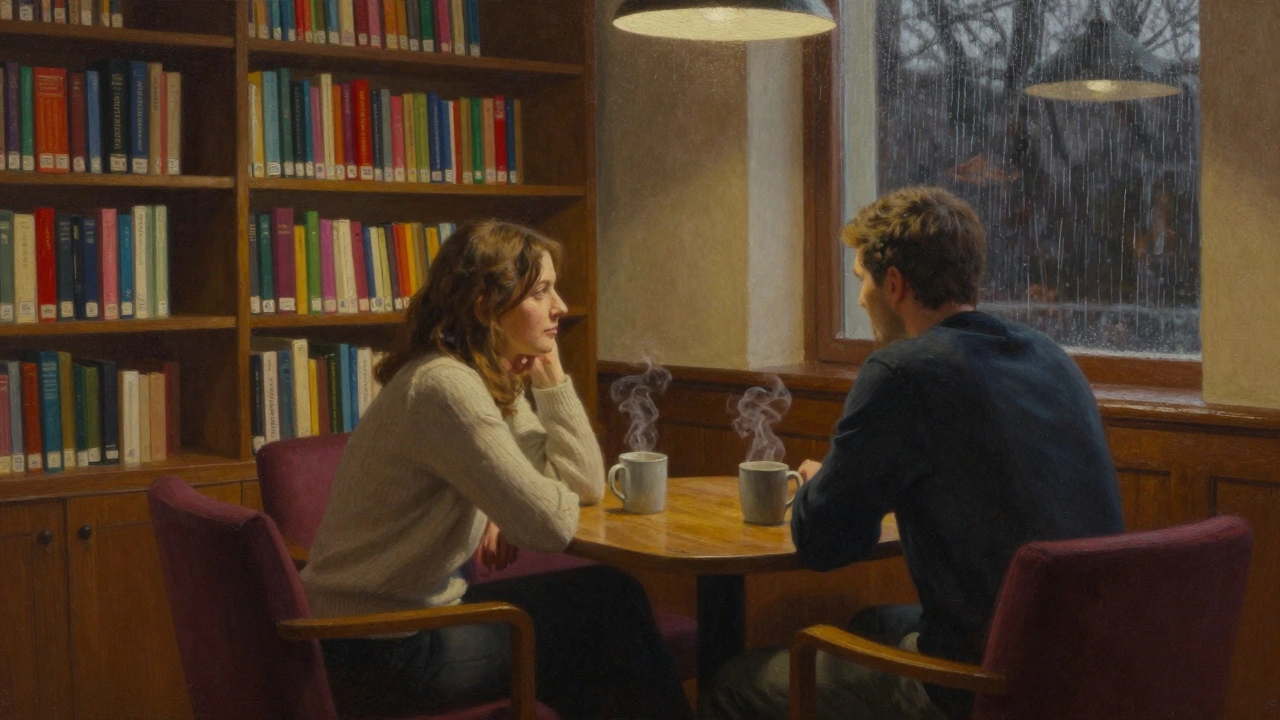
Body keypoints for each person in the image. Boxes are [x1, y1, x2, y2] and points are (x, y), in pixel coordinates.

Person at [701, 187, 1124, 720]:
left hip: (983, 686)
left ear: (894, 283)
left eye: (861, 282)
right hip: (1086, 673)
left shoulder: (903, 371)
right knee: (872, 624)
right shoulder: (1051, 359)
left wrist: (825, 480)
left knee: (734, 682)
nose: (860, 300)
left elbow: (823, 542)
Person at [301, 219, 693, 720]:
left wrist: (551, 377)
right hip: (378, 649)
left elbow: (585, 486)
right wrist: (507, 503)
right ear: (487, 308)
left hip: (394, 630)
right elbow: (550, 525)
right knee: (609, 612)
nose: (562, 308)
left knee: (606, 605)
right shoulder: (447, 387)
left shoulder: (475, 377)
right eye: (543, 292)